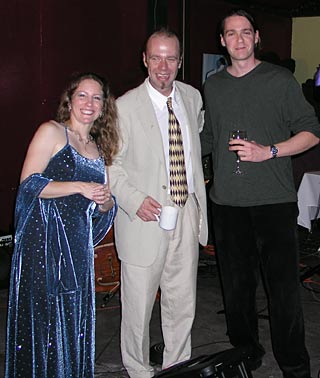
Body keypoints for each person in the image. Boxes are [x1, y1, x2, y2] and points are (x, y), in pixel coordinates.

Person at [201, 9, 320, 378]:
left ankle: (295, 366)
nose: (239, 39)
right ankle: (246, 354)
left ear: (256, 38)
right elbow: (208, 139)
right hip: (227, 204)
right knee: (236, 292)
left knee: (282, 292)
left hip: (273, 202)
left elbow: (312, 131)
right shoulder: (214, 85)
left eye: (246, 32)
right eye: (231, 33)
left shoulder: (279, 80)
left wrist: (268, 150)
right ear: (222, 41)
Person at [5, 72, 119, 378]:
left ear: (103, 106)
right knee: (45, 323)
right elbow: (29, 185)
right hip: (44, 247)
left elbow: (100, 207)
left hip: (77, 250)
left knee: (74, 321)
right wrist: (78, 186)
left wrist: (107, 201)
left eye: (97, 97)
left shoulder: (98, 148)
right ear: (69, 99)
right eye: (83, 95)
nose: (89, 103)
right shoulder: (52, 132)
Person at [109, 28, 208, 378]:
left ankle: (176, 366)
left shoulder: (193, 98)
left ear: (180, 61)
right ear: (144, 60)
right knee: (137, 306)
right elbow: (110, 166)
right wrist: (135, 200)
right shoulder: (122, 107)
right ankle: (137, 370)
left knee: (182, 303)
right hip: (144, 218)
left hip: (185, 212)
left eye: (170, 58)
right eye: (156, 58)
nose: (163, 66)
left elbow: (194, 145)